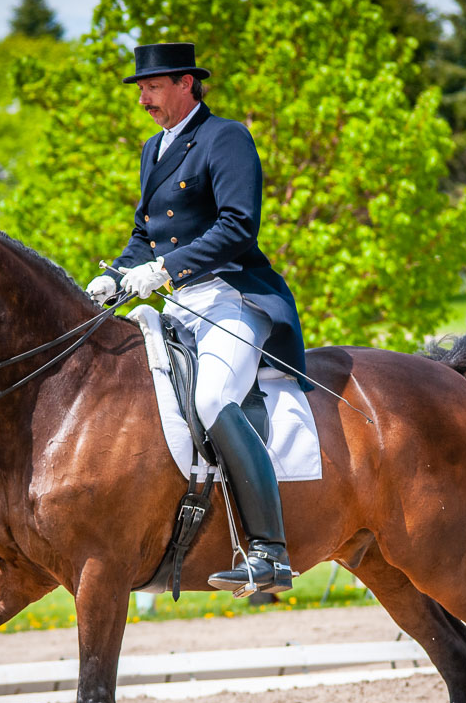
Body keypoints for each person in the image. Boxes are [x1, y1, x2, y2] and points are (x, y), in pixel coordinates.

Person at [86, 42, 307, 594]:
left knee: (212, 399)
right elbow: (145, 234)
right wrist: (117, 273)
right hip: (180, 306)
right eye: (139, 89)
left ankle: (269, 552)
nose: (143, 99)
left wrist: (162, 269)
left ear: (187, 83)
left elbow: (237, 227)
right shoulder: (152, 149)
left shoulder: (224, 138)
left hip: (232, 297)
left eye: (152, 87)